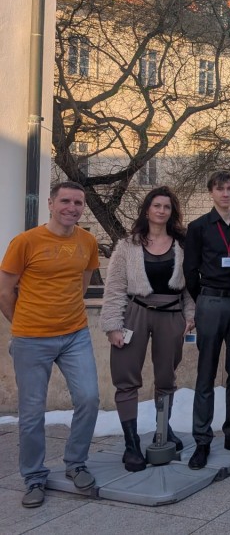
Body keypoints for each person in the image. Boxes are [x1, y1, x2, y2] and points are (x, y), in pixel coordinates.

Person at [0, 182, 100, 508]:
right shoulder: (25, 242)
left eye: (78, 203)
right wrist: (22, 325)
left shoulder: (87, 241)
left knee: (89, 398)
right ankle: (34, 477)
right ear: (51, 204)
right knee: (32, 413)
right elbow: (5, 291)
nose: (72, 208)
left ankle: (76, 463)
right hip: (31, 339)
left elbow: (82, 284)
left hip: (75, 335)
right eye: (65, 201)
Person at [100, 186, 195, 472]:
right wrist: (113, 326)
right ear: (147, 210)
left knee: (166, 377)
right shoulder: (127, 245)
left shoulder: (182, 244)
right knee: (126, 377)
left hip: (171, 315)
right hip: (135, 314)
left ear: (172, 212)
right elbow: (115, 287)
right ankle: (131, 444)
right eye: (157, 205)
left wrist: (190, 315)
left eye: (167, 206)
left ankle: (162, 430)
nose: (161, 211)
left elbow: (190, 287)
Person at [184, 171, 230, 470]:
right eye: (220, 189)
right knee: (206, 372)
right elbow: (190, 270)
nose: (225, 193)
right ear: (211, 193)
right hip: (210, 301)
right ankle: (202, 439)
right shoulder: (198, 227)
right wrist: (202, 299)